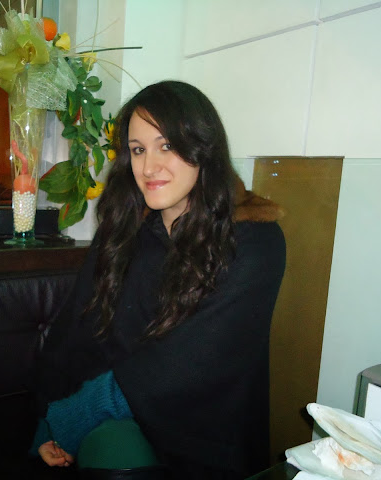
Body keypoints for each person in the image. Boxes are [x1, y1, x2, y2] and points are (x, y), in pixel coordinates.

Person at [31, 80, 286, 479]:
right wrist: (45, 421)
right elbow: (74, 330)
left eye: (166, 145)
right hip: (115, 418)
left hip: (204, 441)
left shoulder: (253, 240)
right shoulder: (125, 232)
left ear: (203, 148)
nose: (149, 167)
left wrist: (71, 418)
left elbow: (182, 368)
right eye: (138, 149)